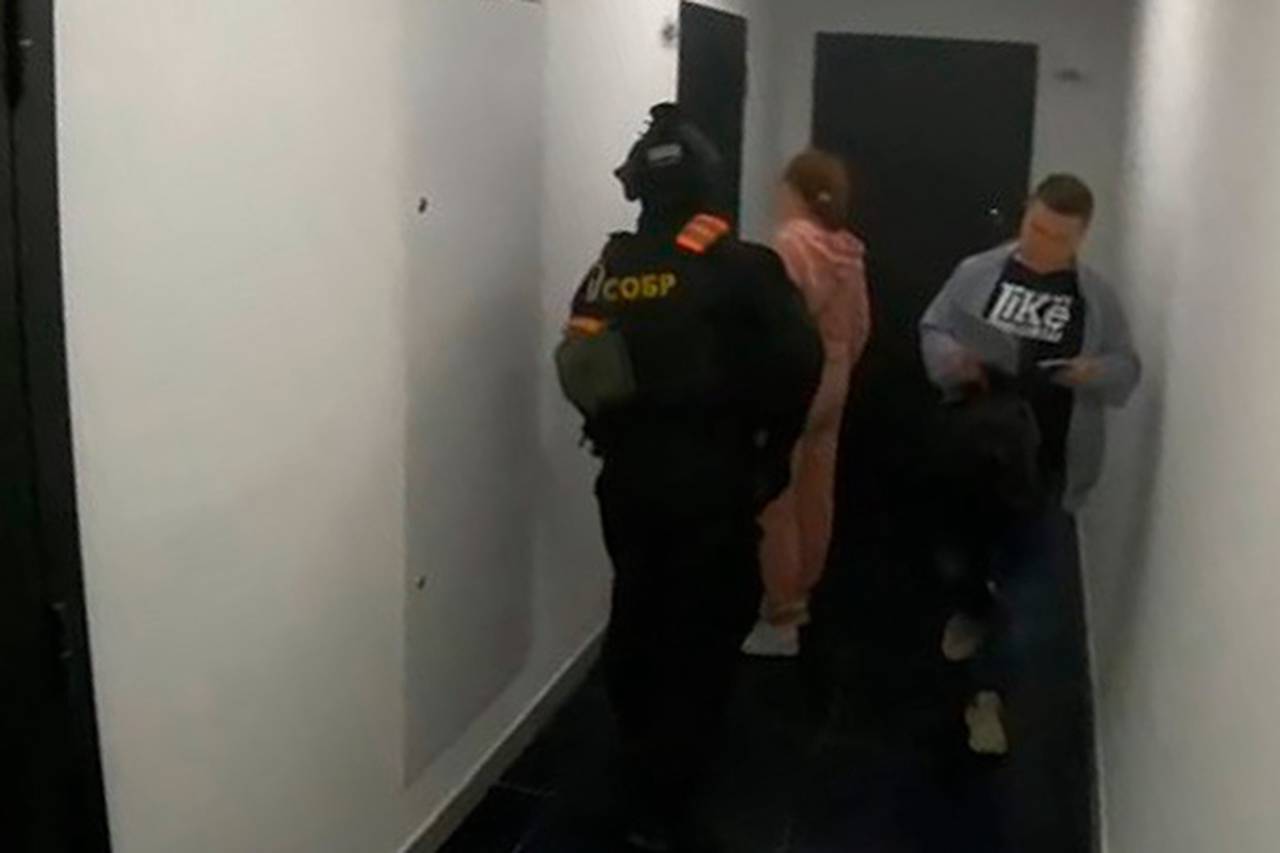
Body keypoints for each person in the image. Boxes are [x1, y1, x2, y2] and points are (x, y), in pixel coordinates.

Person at [556, 103, 822, 852]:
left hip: (626, 483)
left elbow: (580, 369)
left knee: (638, 613)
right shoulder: (744, 268)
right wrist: (773, 458)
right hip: (712, 487)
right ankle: (667, 804)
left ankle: (634, 763)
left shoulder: (609, 269)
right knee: (702, 637)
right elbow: (801, 366)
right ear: (709, 182)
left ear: (637, 187)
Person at [920, 174, 1140, 755]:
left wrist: (1094, 372)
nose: (1041, 244)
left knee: (1030, 600)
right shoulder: (978, 272)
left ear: (1081, 237)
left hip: (1046, 468)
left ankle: (989, 697)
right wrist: (953, 359)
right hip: (973, 452)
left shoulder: (1095, 299)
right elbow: (933, 326)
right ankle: (969, 608)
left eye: (1057, 237)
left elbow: (1127, 370)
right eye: (1035, 228)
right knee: (959, 561)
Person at [742, 150, 871, 658]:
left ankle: (781, 615)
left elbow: (776, 325)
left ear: (794, 191)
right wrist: (839, 365)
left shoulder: (791, 245)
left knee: (777, 498)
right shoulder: (848, 251)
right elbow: (860, 326)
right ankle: (804, 592)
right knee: (818, 491)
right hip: (835, 375)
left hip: (795, 378)